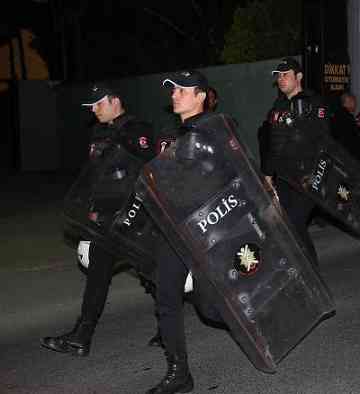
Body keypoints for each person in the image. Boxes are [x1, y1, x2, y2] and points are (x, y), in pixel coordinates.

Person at [41, 84, 159, 356]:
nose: (94, 110)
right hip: (105, 219)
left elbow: (148, 170)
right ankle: (81, 336)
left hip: (133, 216)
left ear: (115, 101)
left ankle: (167, 328)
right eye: (91, 106)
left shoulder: (136, 130)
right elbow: (94, 176)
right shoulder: (98, 133)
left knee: (151, 274)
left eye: (98, 104)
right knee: (97, 275)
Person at [146, 70, 214, 394]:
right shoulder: (174, 136)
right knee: (167, 298)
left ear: (200, 95)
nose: (175, 95)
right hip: (175, 229)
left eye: (183, 90)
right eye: (173, 90)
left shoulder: (214, 131)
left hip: (206, 227)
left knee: (212, 306)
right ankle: (179, 374)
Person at [262, 57, 329, 267]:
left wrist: (303, 122)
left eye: (285, 75)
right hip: (284, 176)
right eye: (279, 76)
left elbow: (323, 137)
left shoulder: (313, 101)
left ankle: (311, 272)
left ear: (298, 76)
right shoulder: (278, 105)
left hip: (307, 174)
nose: (281, 80)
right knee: (288, 225)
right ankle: (302, 270)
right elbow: (274, 142)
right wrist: (268, 174)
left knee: (296, 222)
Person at [330, 91, 360, 161]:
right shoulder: (347, 117)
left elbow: (348, 132)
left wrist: (358, 126)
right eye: (354, 102)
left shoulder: (337, 115)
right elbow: (352, 136)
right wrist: (359, 125)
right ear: (348, 102)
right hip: (349, 158)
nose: (355, 105)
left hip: (341, 156)